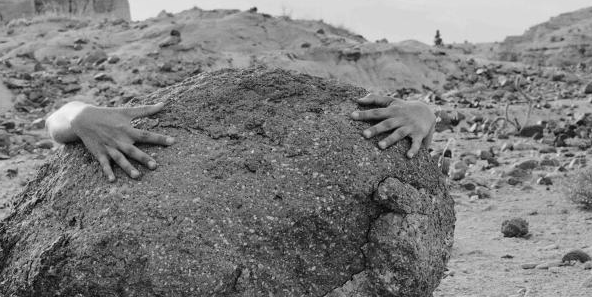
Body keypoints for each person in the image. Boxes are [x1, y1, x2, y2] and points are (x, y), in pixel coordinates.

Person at [45, 92, 436, 182]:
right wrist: (78, 114)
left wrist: (424, 111)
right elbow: (57, 120)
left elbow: (413, 133)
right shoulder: (173, 104)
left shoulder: (336, 110)